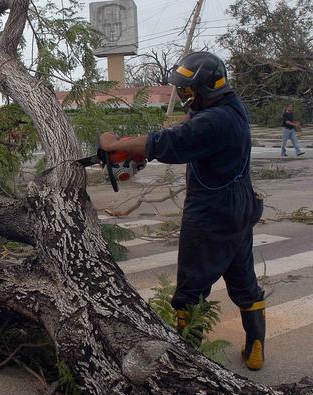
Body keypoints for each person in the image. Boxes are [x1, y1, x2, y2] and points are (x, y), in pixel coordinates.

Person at [99, 51, 266, 370]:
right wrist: (138, 149)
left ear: (206, 89)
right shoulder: (230, 107)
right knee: (242, 279)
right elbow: (186, 130)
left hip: (211, 211)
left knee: (190, 290)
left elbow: (170, 140)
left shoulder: (215, 120)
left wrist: (112, 145)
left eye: (189, 91)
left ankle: (187, 361)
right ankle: (256, 345)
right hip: (239, 206)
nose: (185, 96)